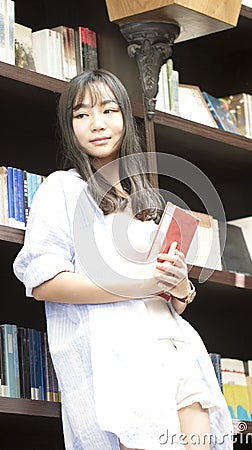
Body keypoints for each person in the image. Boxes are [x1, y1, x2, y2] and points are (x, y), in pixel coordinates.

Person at [13, 69, 233, 450]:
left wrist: (179, 282)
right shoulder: (62, 189)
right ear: (69, 127)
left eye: (108, 111)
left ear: (124, 119)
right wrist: (141, 284)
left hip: (177, 351)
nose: (96, 124)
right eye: (81, 115)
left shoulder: (147, 201)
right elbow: (44, 281)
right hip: (120, 361)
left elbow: (173, 300)